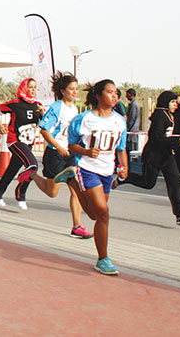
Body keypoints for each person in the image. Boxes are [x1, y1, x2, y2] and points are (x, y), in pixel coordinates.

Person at [16, 72, 93, 239]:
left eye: (77, 89)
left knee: (77, 190)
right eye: (71, 89)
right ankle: (30, 175)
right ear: (63, 91)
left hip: (71, 154)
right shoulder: (57, 107)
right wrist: (58, 146)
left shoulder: (75, 109)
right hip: (55, 153)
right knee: (52, 193)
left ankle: (76, 226)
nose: (75, 92)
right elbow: (44, 129)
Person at [66, 79, 128, 275]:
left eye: (116, 93)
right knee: (103, 212)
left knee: (95, 215)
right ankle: (103, 259)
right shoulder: (83, 119)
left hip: (107, 171)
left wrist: (123, 166)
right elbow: (72, 146)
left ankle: (72, 183)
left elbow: (121, 148)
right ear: (99, 96)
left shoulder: (119, 120)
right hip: (87, 168)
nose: (114, 96)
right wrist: (86, 152)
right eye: (109, 92)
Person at [117, 91, 180, 225]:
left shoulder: (171, 115)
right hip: (154, 155)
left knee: (175, 181)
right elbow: (156, 138)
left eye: (175, 102)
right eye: (172, 102)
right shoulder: (160, 116)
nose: (175, 105)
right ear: (165, 103)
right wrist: (176, 142)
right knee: (148, 183)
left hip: (166, 155)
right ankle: (125, 177)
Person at [0, 78, 45, 210]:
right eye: (30, 87)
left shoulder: (37, 105)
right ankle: (21, 195)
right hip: (15, 140)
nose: (32, 90)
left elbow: (44, 124)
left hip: (28, 142)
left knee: (12, 169)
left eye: (34, 87)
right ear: (24, 88)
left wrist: (43, 113)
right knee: (32, 166)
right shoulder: (15, 104)